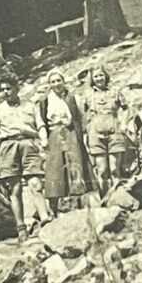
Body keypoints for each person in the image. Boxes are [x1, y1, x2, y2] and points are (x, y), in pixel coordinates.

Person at [0, 74, 45, 242]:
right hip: (7, 146)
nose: (6, 92)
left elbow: (40, 125)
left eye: (8, 88)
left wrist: (41, 140)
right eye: (2, 89)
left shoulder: (30, 106)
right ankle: (21, 228)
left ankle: (45, 219)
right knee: (15, 188)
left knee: (35, 183)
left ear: (16, 88)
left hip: (28, 145)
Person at [35, 69, 88, 215]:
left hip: (71, 133)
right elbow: (40, 120)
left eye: (59, 80)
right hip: (54, 135)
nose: (56, 84)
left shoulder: (72, 97)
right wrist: (44, 138)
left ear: (63, 81)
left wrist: (83, 135)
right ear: (49, 84)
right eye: (53, 81)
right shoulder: (44, 101)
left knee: (75, 166)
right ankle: (54, 209)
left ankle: (79, 207)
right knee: (55, 170)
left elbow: (81, 117)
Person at [82, 65, 127, 199]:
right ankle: (105, 198)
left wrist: (124, 123)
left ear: (105, 76)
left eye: (101, 75)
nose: (99, 79)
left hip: (114, 130)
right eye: (96, 76)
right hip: (96, 133)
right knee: (102, 170)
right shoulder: (87, 95)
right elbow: (84, 114)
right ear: (92, 79)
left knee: (114, 168)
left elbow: (125, 108)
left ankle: (118, 198)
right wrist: (87, 131)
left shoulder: (115, 91)